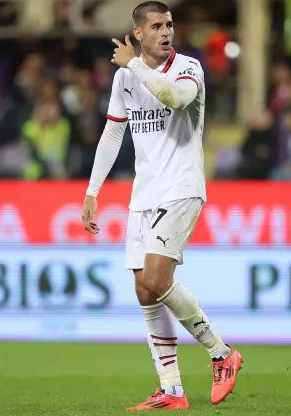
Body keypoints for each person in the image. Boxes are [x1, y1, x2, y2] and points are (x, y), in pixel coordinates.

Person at [80, 1, 242, 410]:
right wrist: (92, 191)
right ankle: (171, 389)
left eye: (169, 24)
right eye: (155, 26)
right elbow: (112, 136)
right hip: (144, 193)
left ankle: (222, 353)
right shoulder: (124, 80)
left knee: (156, 277)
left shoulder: (188, 67)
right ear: (138, 32)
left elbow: (174, 98)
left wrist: (133, 65)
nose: (165, 31)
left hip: (182, 188)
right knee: (144, 291)